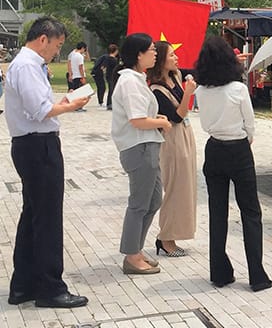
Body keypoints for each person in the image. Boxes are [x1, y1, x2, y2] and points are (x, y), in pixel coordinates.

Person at [5, 17, 90, 308]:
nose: (57, 52)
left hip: (31, 145)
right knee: (48, 219)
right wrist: (71, 106)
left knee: (34, 215)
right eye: (57, 45)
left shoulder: (28, 64)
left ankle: (24, 285)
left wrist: (63, 101)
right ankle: (50, 288)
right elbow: (40, 111)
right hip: (38, 146)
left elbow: (40, 104)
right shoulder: (28, 65)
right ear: (43, 39)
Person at [194, 36, 272, 292]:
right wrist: (247, 137)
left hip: (214, 147)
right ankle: (257, 276)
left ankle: (219, 272)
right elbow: (249, 123)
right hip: (238, 149)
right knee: (250, 212)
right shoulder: (237, 89)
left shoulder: (200, 91)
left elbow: (205, 123)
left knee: (218, 213)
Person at [111, 33, 172, 275]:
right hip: (139, 147)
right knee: (138, 204)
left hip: (148, 145)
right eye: (151, 50)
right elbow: (137, 120)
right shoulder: (129, 81)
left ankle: (136, 248)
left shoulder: (137, 79)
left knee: (154, 199)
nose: (155, 53)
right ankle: (131, 254)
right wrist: (162, 124)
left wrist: (157, 120)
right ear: (138, 54)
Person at [148, 40, 198, 257]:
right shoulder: (156, 90)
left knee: (186, 188)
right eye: (171, 55)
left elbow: (199, 71)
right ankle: (165, 237)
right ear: (161, 60)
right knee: (174, 189)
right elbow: (177, 116)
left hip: (186, 136)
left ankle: (174, 235)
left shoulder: (175, 76)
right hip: (172, 140)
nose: (176, 58)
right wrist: (188, 93)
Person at [104, 43, 119, 110]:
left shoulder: (107, 58)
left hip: (108, 75)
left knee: (111, 89)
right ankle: (110, 103)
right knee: (112, 89)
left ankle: (109, 103)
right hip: (112, 76)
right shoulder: (113, 60)